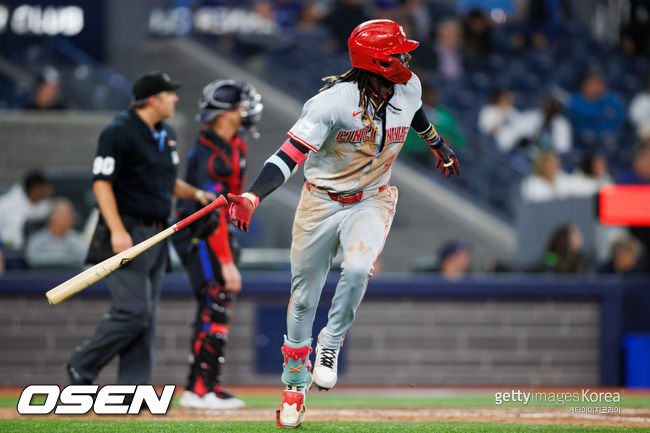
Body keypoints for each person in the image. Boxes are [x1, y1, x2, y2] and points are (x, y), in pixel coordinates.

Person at [227, 19, 459, 427]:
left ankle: (331, 341)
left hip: (372, 198)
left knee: (357, 268)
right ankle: (294, 388)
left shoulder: (410, 86)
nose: (407, 57)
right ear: (376, 60)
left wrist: (438, 145)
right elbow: (290, 153)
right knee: (302, 299)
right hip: (320, 202)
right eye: (398, 52)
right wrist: (252, 195)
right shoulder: (331, 102)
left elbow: (416, 114)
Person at [66, 71, 217, 388]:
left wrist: (195, 194)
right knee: (133, 311)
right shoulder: (118, 132)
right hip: (128, 232)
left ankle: (131, 390)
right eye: (169, 94)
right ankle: (82, 363)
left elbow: (164, 181)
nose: (175, 98)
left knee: (146, 317)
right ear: (153, 99)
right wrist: (117, 229)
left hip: (158, 235)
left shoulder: (165, 133)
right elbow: (102, 183)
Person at [173, 79, 263, 410]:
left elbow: (229, 208)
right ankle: (197, 389)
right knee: (214, 297)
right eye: (240, 106)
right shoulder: (208, 156)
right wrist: (225, 262)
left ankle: (209, 384)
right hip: (197, 233)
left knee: (221, 299)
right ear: (225, 113)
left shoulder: (237, 144)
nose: (247, 112)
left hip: (220, 230)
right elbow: (210, 214)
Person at [0, 169, 54, 251]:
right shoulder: (5, 205)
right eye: (47, 186)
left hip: (38, 251)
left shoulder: (47, 205)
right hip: (10, 253)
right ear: (36, 188)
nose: (51, 190)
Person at [24, 197, 86, 268]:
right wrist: (66, 258)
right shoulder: (37, 239)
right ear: (51, 215)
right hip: (41, 277)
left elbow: (82, 258)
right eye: (62, 214)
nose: (68, 217)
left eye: (70, 214)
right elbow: (31, 258)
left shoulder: (77, 239)